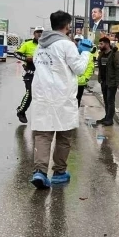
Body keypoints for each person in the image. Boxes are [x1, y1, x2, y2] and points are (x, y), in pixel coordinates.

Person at [29, 11, 92, 189]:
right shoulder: (66, 44)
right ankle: (59, 172)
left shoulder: (40, 46)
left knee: (43, 134)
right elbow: (79, 69)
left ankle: (40, 172)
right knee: (64, 136)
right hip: (62, 97)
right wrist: (85, 53)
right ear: (67, 26)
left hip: (42, 96)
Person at [14, 26, 44, 123]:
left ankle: (40, 117)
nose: (39, 34)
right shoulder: (27, 44)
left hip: (42, 75)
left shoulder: (47, 45)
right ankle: (21, 111)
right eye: (37, 32)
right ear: (34, 34)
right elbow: (16, 53)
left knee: (42, 97)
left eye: (41, 32)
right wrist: (26, 59)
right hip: (30, 74)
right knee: (29, 93)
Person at [97, 37, 119, 126]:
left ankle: (110, 119)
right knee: (105, 100)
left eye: (101, 44)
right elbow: (100, 67)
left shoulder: (114, 54)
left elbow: (118, 68)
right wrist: (99, 78)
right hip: (104, 81)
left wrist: (118, 82)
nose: (99, 46)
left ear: (107, 44)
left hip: (111, 81)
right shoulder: (102, 54)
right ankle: (107, 117)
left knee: (110, 100)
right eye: (99, 44)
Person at [74, 34, 95, 107]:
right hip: (72, 82)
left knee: (77, 101)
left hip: (79, 83)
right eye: (76, 40)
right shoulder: (71, 51)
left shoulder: (87, 55)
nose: (77, 42)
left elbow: (90, 69)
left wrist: (83, 79)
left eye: (79, 40)